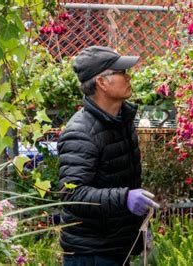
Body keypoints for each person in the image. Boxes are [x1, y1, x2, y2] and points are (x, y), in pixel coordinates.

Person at [58, 46, 159, 266]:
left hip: (118, 247)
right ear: (102, 83)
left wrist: (140, 227)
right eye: (121, 72)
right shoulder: (80, 133)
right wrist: (124, 198)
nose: (128, 76)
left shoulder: (121, 121)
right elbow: (72, 194)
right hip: (91, 254)